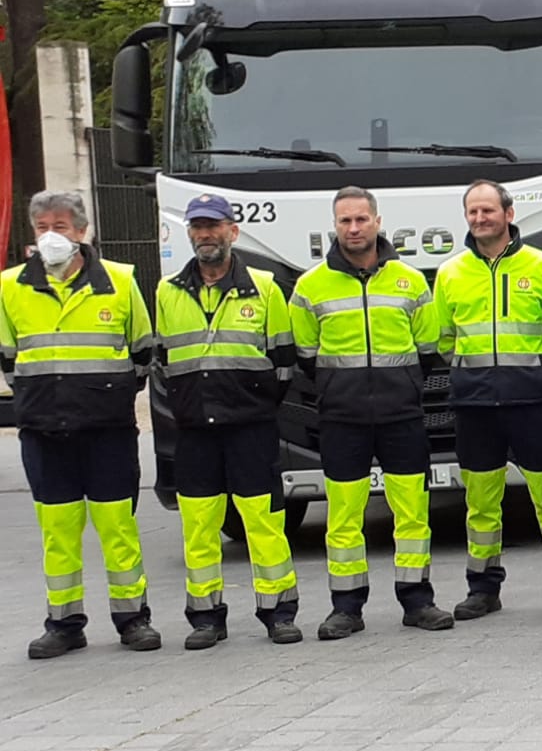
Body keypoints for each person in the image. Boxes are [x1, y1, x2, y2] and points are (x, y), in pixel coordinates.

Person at [1, 190, 161, 659]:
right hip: (44, 433)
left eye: (61, 226)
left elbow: (141, 353)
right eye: (42, 228)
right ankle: (64, 623)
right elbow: (10, 360)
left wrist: (101, 399)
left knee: (118, 529)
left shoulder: (119, 280)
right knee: (58, 533)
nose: (52, 236)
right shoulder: (11, 286)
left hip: (107, 432)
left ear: (82, 231)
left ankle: (133, 619)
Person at [289, 188, 453, 638]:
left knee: (413, 513)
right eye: (345, 221)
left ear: (378, 222)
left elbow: (428, 349)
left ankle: (418, 601)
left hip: (402, 416)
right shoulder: (310, 286)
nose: (354, 228)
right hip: (342, 419)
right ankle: (346, 608)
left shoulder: (411, 281)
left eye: (362, 219)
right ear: (335, 225)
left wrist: (401, 388)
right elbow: (306, 353)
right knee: (343, 517)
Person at [157, 194, 301, 649]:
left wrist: (252, 402)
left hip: (250, 428)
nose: (206, 235)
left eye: (214, 226)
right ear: (189, 234)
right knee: (199, 526)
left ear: (232, 232)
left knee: (264, 522)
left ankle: (278, 613)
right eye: (198, 227)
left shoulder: (266, 288)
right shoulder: (167, 291)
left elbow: (284, 363)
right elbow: (161, 361)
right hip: (196, 432)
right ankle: (205, 617)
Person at [433, 180, 542, 621]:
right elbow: (443, 338)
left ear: (509, 214)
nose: (480, 219)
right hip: (475, 407)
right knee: (479, 503)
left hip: (535, 402)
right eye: (473, 212)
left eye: (488, 211)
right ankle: (483, 588)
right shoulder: (451, 273)